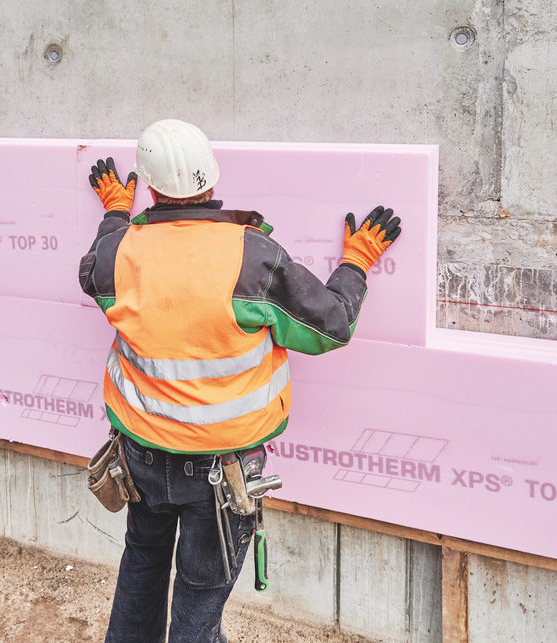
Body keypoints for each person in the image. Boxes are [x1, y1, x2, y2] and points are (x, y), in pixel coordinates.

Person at [78, 119, 400, 643]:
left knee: (142, 562)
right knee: (199, 604)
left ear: (151, 188)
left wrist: (117, 207)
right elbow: (331, 326)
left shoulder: (120, 253)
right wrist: (356, 262)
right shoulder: (251, 257)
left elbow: (95, 266)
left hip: (140, 455)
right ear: (211, 181)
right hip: (219, 472)